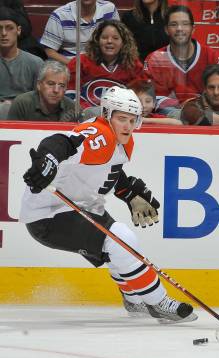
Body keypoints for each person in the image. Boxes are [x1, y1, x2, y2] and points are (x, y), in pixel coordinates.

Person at [20, 86, 197, 323]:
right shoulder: (99, 134)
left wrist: (128, 193)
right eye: (121, 118)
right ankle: (159, 302)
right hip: (49, 216)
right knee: (120, 241)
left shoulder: (121, 140)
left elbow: (106, 171)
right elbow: (62, 142)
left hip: (78, 208)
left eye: (132, 120)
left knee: (126, 242)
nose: (127, 125)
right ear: (107, 115)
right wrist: (48, 159)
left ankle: (134, 299)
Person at [144, 5, 219, 107]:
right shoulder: (154, 59)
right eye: (173, 24)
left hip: (206, 113)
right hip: (169, 117)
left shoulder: (210, 56)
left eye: (185, 24)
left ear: (193, 29)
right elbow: (149, 99)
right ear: (166, 30)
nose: (179, 28)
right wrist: (184, 106)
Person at [40, 0, 119, 65]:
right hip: (70, 66)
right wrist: (75, 66)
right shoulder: (60, 15)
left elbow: (119, 39)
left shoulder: (110, 9)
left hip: (102, 63)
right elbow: (49, 51)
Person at [0, 6, 43, 119]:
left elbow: (40, 100)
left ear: (18, 30)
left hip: (26, 116)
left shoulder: (35, 63)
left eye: (9, 28)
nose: (4, 33)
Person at [8, 60, 78, 122]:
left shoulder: (73, 108)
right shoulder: (22, 104)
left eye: (62, 85)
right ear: (39, 84)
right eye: (51, 84)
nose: (56, 90)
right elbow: (12, 134)